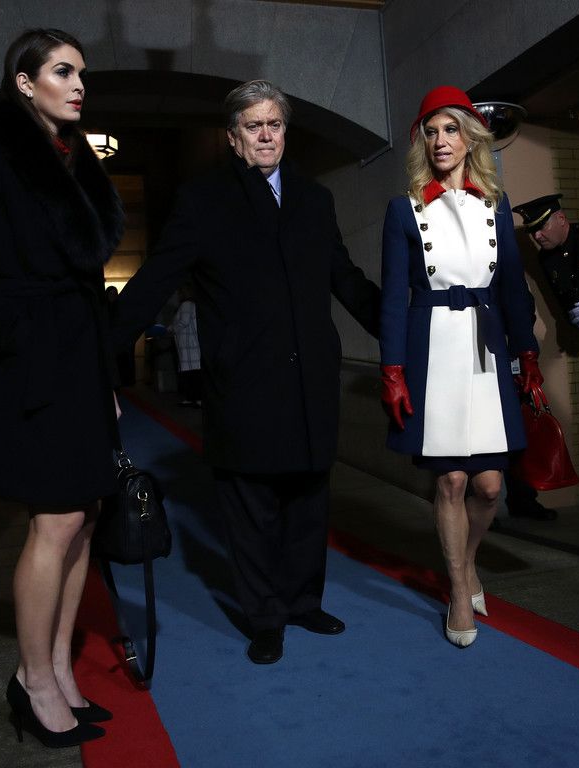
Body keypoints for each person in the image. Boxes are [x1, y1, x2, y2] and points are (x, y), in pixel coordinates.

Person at [114, 80, 380, 664]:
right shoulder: (202, 200)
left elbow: (346, 278)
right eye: (253, 126)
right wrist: (104, 352)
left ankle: (303, 601)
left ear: (285, 133)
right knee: (252, 506)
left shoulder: (314, 199)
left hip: (310, 380)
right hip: (245, 382)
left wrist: (403, 329)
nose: (265, 135)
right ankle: (265, 617)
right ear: (233, 138)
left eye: (274, 124)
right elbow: (156, 278)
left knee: (308, 499)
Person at [0, 29, 124, 746]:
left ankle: (59, 667)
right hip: (31, 364)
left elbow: (86, 283)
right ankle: (33, 680)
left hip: (81, 365)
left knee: (86, 517)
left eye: (82, 74)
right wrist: (32, 339)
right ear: (25, 82)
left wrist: (104, 378)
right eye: (62, 71)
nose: (79, 85)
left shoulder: (72, 158)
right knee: (55, 521)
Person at [379, 86, 542, 648]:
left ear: (470, 138)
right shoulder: (403, 209)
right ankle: (456, 588)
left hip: (486, 349)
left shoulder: (495, 204)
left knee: (490, 487)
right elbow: (393, 299)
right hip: (432, 349)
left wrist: (528, 353)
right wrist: (392, 369)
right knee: (450, 479)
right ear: (422, 143)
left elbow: (512, 288)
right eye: (431, 131)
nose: (441, 141)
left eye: (451, 129)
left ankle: (467, 562)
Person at [512, 194, 579, 521]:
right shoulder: (547, 260)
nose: (537, 236)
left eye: (542, 227)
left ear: (561, 219)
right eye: (532, 231)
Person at [169, 285, 203, 407]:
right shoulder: (192, 305)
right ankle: (193, 398)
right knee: (192, 373)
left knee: (191, 374)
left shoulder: (186, 305)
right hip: (189, 345)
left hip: (189, 345)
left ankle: (195, 398)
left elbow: (183, 322)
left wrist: (170, 329)